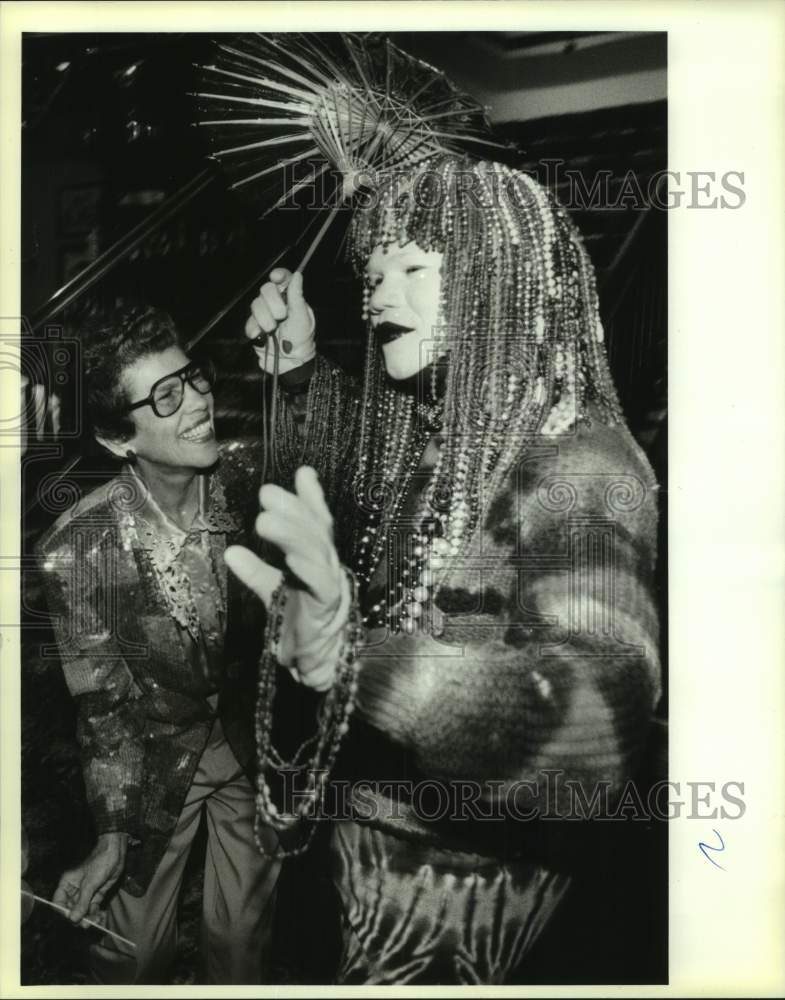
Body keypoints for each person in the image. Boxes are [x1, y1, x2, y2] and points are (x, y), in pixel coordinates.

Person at [228, 151, 662, 985]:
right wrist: (297, 367)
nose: (378, 292)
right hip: (362, 887)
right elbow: (339, 477)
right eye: (375, 270)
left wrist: (356, 661)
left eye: (414, 267)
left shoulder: (584, 469)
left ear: (497, 281)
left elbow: (597, 732)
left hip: (473, 919)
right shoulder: (443, 439)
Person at [36, 305, 279, 984]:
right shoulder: (76, 549)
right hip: (153, 764)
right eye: (165, 396)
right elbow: (103, 707)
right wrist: (113, 832)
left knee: (243, 944)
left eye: (192, 378)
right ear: (120, 440)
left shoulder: (255, 483)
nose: (200, 402)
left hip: (253, 743)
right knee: (131, 959)